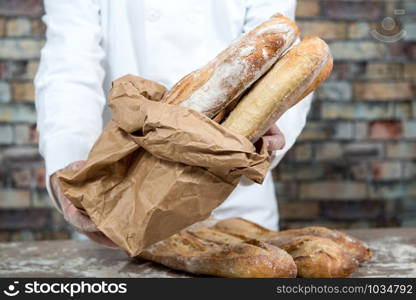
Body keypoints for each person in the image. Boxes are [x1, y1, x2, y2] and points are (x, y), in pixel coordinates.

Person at [35, 0, 312, 248]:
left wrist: (269, 129)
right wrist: (70, 169)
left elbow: (282, 56)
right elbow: (69, 67)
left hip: (233, 202)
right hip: (119, 200)